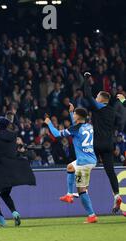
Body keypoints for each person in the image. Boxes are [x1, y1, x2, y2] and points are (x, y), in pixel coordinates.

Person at [45, 107, 99, 223]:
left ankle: (92, 215)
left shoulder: (75, 128)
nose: (73, 115)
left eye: (74, 114)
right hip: (90, 158)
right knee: (70, 167)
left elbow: (56, 134)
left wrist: (49, 124)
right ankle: (69, 194)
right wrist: (70, 112)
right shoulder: (88, 126)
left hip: (83, 163)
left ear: (78, 116)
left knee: (81, 190)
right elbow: (77, 126)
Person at [83, 72, 123, 214]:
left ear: (101, 100)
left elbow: (87, 95)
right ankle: (117, 195)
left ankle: (80, 190)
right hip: (109, 144)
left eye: (97, 97)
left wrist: (87, 78)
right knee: (110, 171)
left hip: (96, 144)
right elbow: (121, 121)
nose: (95, 98)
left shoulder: (99, 107)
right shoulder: (112, 112)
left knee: (84, 164)